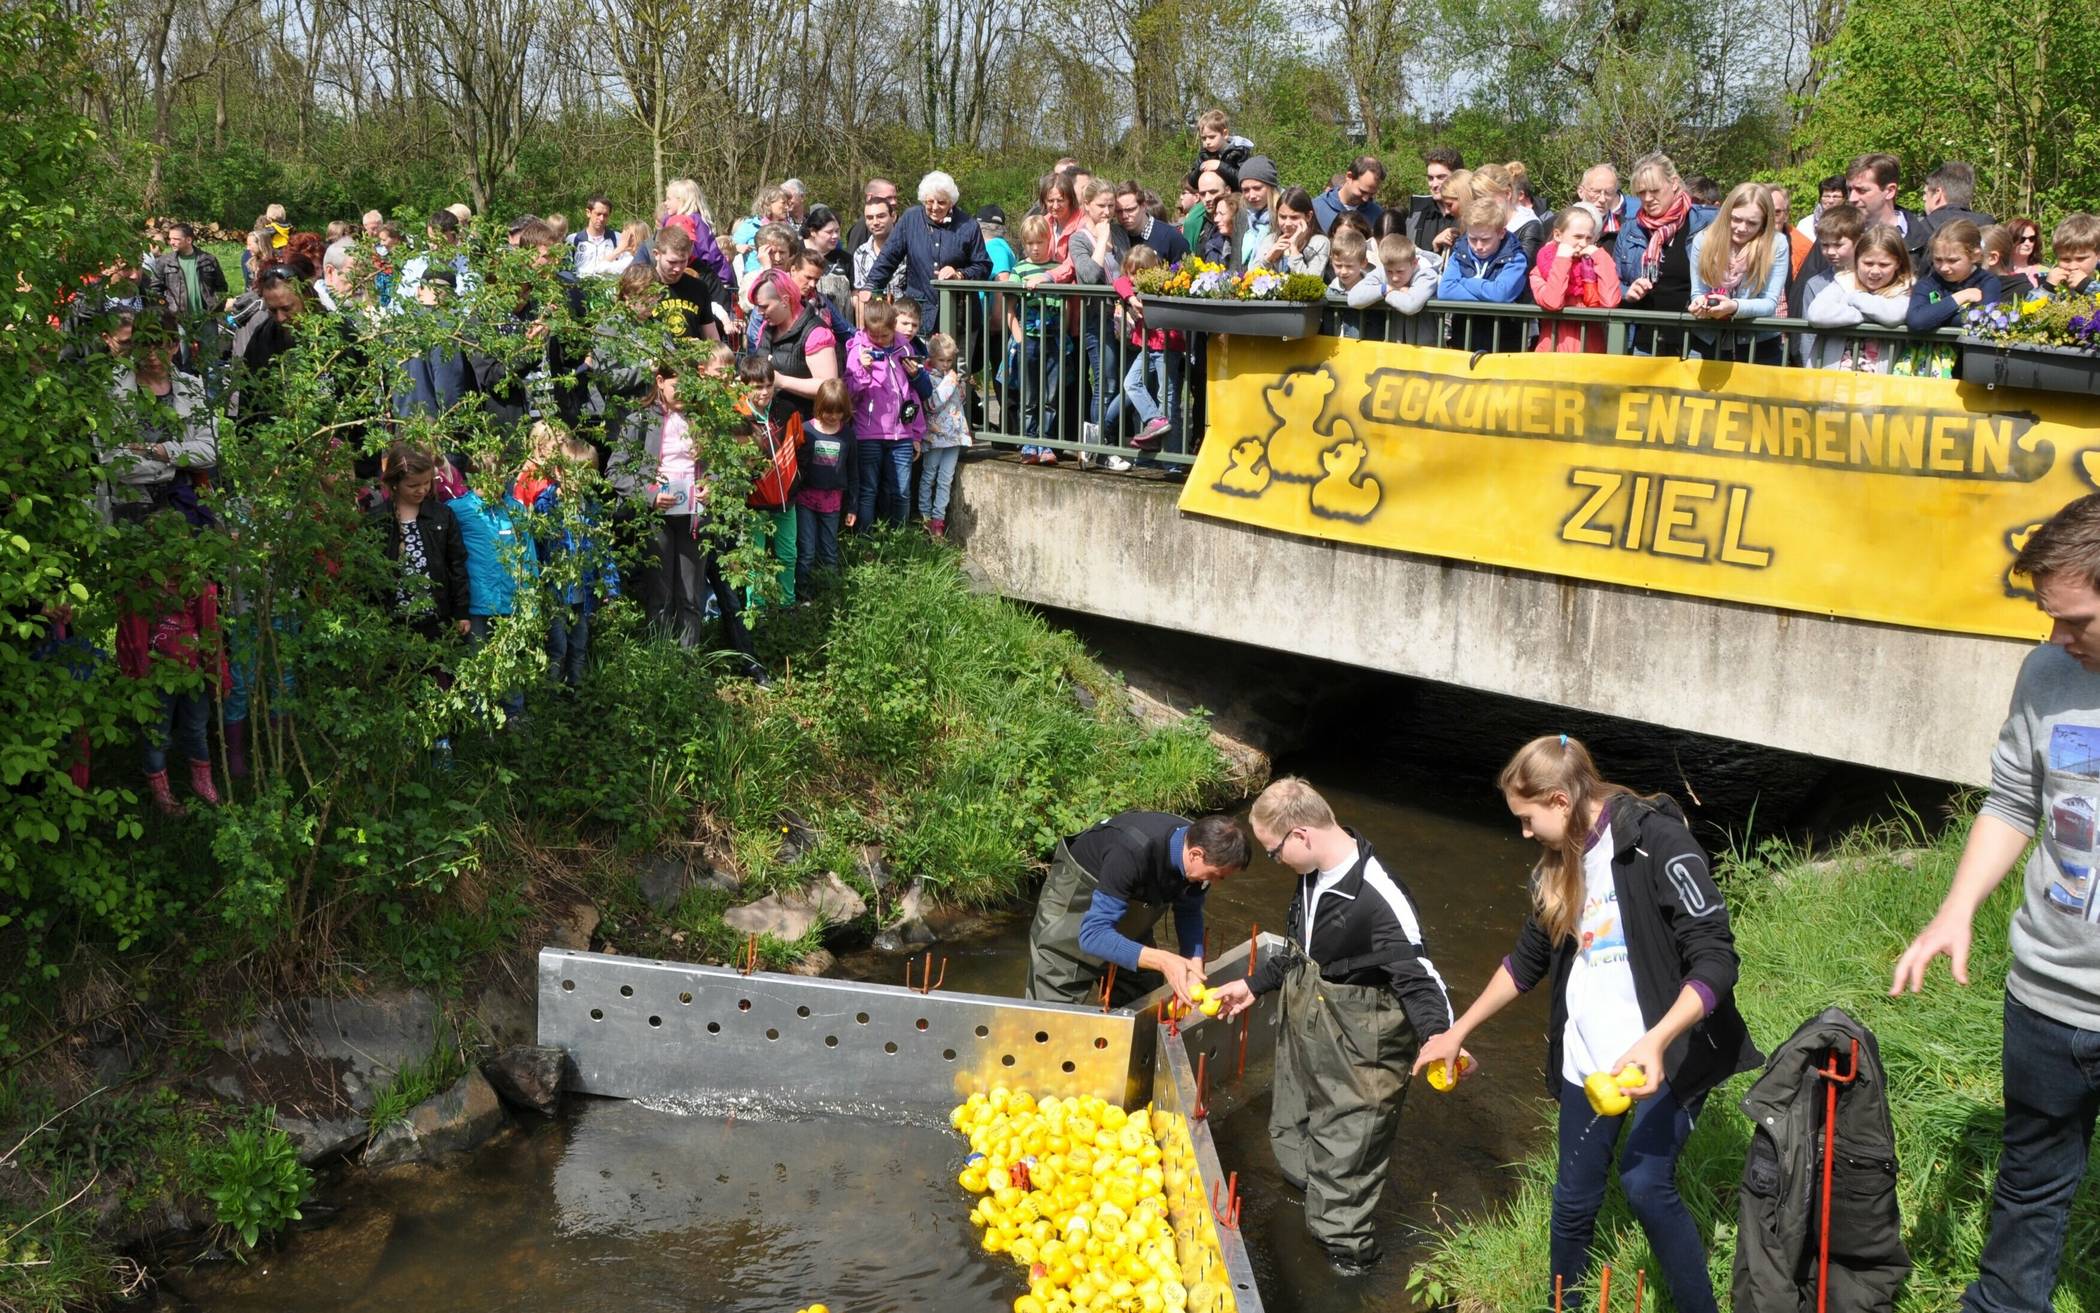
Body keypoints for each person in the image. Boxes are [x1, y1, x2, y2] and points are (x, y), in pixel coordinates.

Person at [1414, 735, 1758, 1313]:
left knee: (1646, 1186)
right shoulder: (1556, 866)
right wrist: (1457, 1030)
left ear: (1559, 801)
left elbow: (1717, 959)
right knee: (1572, 1200)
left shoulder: (1656, 843)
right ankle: (1562, 1305)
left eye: (1527, 819)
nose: (1523, 833)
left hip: (1663, 1053)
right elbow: (1525, 962)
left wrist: (1657, 1039)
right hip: (1587, 1058)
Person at [1890, 493, 2100, 1313]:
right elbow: (2014, 799)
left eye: (2076, 618)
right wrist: (1957, 908)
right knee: (2029, 1196)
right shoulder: (2048, 674)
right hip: (2044, 995)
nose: (2056, 638)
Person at [1207, 778, 1452, 1276]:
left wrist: (1440, 1037)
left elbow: (1420, 977)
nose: (1274, 862)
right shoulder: (1311, 874)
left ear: (1301, 835)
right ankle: (1310, 1195)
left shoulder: (1378, 896)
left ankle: (1350, 1258)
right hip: (1307, 1032)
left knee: (1349, 1153)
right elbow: (1303, 953)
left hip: (1361, 1048)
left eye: (1274, 852)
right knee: (1291, 1126)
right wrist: (1254, 984)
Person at [607, 362, 765, 678]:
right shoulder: (639, 420)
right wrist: (650, 494)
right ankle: (660, 668)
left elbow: (724, 463)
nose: (685, 394)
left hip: (695, 515)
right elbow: (616, 471)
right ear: (660, 381)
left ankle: (687, 668)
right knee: (661, 594)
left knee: (690, 595)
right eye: (678, 386)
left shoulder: (701, 420)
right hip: (658, 516)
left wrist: (714, 485)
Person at [1026, 809, 1249, 1008]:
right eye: (1215, 875)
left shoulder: (1201, 850)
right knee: (1053, 1009)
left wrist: (1193, 965)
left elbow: (1189, 910)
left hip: (1132, 903)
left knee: (1145, 997)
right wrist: (1164, 961)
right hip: (1077, 902)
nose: (1215, 883)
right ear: (1195, 854)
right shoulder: (1132, 851)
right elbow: (1092, 935)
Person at [518, 422, 617, 688]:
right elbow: (535, 550)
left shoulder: (592, 510)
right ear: (559, 472)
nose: (580, 482)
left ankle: (576, 693)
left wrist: (609, 586)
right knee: (557, 647)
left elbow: (602, 552)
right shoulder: (546, 506)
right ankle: (551, 696)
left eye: (587, 476)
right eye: (575, 475)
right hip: (555, 594)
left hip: (582, 594)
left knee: (579, 645)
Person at [1614, 152, 1716, 357]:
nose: (1648, 198)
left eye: (1655, 190)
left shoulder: (1708, 222)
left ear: (1675, 183)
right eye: (1641, 192)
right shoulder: (1630, 229)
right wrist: (1628, 292)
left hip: (1695, 342)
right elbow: (1614, 282)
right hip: (1645, 342)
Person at [862, 172, 990, 333]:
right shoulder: (910, 219)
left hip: (959, 319)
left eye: (941, 202)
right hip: (918, 317)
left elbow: (983, 265)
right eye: (929, 202)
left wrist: (959, 274)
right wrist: (871, 285)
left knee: (955, 359)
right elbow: (889, 256)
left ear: (951, 202)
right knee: (917, 358)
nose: (935, 207)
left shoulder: (969, 226)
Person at [1686, 182, 1789, 362]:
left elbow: (1770, 302)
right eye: (1736, 219)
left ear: (1764, 222)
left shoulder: (1777, 244)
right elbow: (1698, 292)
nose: (1742, 228)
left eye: (1752, 223)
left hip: (1759, 345)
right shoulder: (1703, 240)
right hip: (1708, 341)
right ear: (1726, 214)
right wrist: (1700, 303)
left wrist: (1734, 307)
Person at [844, 299, 917, 528]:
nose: (879, 341)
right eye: (874, 336)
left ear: (893, 327)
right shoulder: (858, 350)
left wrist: (916, 432)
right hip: (869, 432)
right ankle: (866, 538)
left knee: (902, 491)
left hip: (902, 432)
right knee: (869, 490)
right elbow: (849, 394)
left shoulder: (905, 348)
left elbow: (911, 393)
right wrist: (863, 372)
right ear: (866, 329)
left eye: (884, 336)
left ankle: (900, 539)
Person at [734, 352, 799, 609]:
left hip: (786, 500)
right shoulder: (737, 415)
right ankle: (756, 609)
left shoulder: (788, 412)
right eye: (758, 386)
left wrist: (796, 480)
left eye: (769, 385)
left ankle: (787, 604)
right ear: (744, 384)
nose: (764, 392)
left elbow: (800, 449)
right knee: (755, 558)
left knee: (788, 555)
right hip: (754, 502)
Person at [1106, 245, 1184, 455]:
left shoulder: (1163, 284)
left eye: (1140, 274)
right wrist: (1131, 298)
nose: (1134, 279)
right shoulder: (1132, 287)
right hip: (1148, 346)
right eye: (1132, 273)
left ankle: (1172, 458)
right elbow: (1119, 281)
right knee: (1131, 382)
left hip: (1167, 347)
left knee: (1167, 399)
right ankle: (1154, 420)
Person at [1805, 223, 1914, 372]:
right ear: (1857, 260)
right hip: (1833, 380)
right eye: (1868, 263)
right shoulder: (1844, 281)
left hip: (1877, 385)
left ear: (1897, 264)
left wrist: (1855, 299)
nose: (1875, 271)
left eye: (1884, 264)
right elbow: (1817, 314)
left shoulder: (1904, 288)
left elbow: (1893, 315)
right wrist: (1871, 315)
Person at [1438, 197, 1529, 351]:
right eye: (1472, 239)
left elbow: (1500, 294)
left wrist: (1466, 282)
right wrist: (1489, 293)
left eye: (1485, 240)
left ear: (1501, 233)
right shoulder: (1459, 252)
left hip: (1504, 344)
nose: (1478, 246)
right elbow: (1445, 290)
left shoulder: (1516, 258)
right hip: (1463, 340)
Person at [1009, 216, 1065, 466]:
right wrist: (1018, 335)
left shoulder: (1057, 268)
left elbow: (1067, 306)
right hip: (1029, 337)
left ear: (1048, 240)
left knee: (1050, 394)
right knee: (1029, 394)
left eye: (1040, 242)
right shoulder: (1020, 269)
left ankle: (1046, 442)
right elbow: (1009, 304)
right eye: (1030, 243)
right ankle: (1029, 441)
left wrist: (1065, 335)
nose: (1035, 248)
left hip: (1053, 338)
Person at [1531, 205, 1623, 353]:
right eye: (1578, 237)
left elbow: (1610, 302)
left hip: (1590, 355)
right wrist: (1562, 259)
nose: (1584, 243)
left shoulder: (1596, 267)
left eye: (1589, 238)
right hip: (1552, 355)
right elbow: (1553, 302)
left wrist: (1600, 256)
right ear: (1558, 235)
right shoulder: (1539, 271)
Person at [794, 379, 854, 595]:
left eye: (838, 412)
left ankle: (830, 594)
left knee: (829, 550)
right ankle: (803, 594)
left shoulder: (847, 434)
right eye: (829, 412)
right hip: (805, 500)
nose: (833, 417)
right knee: (807, 551)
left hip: (832, 501)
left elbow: (853, 469)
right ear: (819, 406)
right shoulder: (805, 431)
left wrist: (853, 506)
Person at [145, 223, 228, 372]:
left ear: (189, 240)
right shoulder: (164, 262)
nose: (171, 242)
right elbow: (154, 289)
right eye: (170, 239)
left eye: (176, 239)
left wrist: (215, 308)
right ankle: (185, 395)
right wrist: (166, 310)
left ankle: (214, 396)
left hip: (206, 319)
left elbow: (222, 288)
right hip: (179, 320)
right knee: (181, 362)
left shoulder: (208, 260)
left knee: (212, 365)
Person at [916, 333, 970, 536]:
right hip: (935, 436)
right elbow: (931, 405)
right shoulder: (928, 377)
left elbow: (957, 405)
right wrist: (949, 384)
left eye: (949, 360)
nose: (946, 364)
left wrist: (960, 389)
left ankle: (939, 519)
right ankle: (925, 516)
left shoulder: (951, 377)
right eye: (942, 360)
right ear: (931, 358)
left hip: (953, 435)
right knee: (929, 475)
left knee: (946, 478)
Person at [1906, 219, 2001, 332]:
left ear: (1975, 256)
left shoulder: (1988, 283)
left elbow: (1982, 319)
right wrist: (1960, 297)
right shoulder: (1928, 284)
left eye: (1952, 260)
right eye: (1938, 260)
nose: (1944, 268)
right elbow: (1917, 320)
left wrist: (1934, 317)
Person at [660, 178, 738, 290]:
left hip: (697, 277)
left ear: (681, 200)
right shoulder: (671, 220)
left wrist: (723, 279)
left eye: (668, 199)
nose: (665, 203)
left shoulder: (693, 221)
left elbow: (709, 253)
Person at [1913, 161, 1996, 256]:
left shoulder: (1920, 229)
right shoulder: (1989, 227)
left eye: (1925, 193)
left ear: (1937, 193)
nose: (1924, 198)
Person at [1256, 187, 1331, 277]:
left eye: (1294, 217)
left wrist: (1294, 249)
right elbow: (1251, 278)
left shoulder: (1319, 242)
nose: (1287, 223)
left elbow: (1312, 282)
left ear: (1308, 216)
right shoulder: (1271, 240)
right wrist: (1269, 258)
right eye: (1282, 217)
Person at [1230, 156, 1281, 274]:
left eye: (1257, 188)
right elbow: (1236, 258)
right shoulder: (1242, 214)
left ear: (1270, 187)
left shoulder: (1284, 214)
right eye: (1246, 190)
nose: (1251, 195)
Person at [1409, 146, 1464, 255]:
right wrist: (1434, 247)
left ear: (1457, 177)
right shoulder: (1417, 214)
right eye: (1430, 178)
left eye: (1441, 177)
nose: (1434, 184)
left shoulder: (1473, 215)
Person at [1116, 181, 1188, 263]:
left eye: (1130, 210)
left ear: (1143, 206)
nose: (1124, 216)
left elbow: (1187, 272)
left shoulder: (1170, 236)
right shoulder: (1117, 239)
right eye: (1119, 211)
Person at [1313, 156, 1386, 234]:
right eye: (1362, 191)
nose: (1366, 199)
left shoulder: (1377, 215)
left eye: (1371, 194)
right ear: (1349, 177)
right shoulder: (1317, 209)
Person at [734, 184, 793, 278]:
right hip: (756, 278)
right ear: (769, 204)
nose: (787, 207)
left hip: (782, 279)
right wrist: (737, 246)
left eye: (787, 204)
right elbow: (728, 246)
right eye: (783, 203)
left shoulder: (788, 229)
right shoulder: (751, 226)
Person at [1576, 164, 1640, 243]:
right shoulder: (1559, 224)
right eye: (1596, 191)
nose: (1602, 199)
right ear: (1581, 191)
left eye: (1608, 193)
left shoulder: (1626, 231)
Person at [2042, 212, 2100, 299]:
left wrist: (2086, 285)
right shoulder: (2048, 279)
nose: (2072, 267)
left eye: (2080, 258)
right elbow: (2026, 308)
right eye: (2065, 259)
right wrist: (2048, 288)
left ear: (2098, 255)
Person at [569, 195, 617, 273]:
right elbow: (566, 270)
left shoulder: (617, 238)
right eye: (598, 214)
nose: (601, 219)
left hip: (608, 284)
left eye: (605, 215)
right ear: (588, 213)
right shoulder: (573, 239)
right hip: (580, 284)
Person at [1794, 176, 1846, 242]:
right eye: (1826, 196)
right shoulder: (1805, 224)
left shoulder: (1852, 222)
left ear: (1844, 199)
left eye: (1836, 196)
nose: (1831, 201)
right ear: (1820, 199)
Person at [2005, 215, 2046, 286]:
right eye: (2022, 239)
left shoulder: (2043, 272)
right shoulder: (1998, 271)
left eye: (2032, 238)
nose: (2028, 243)